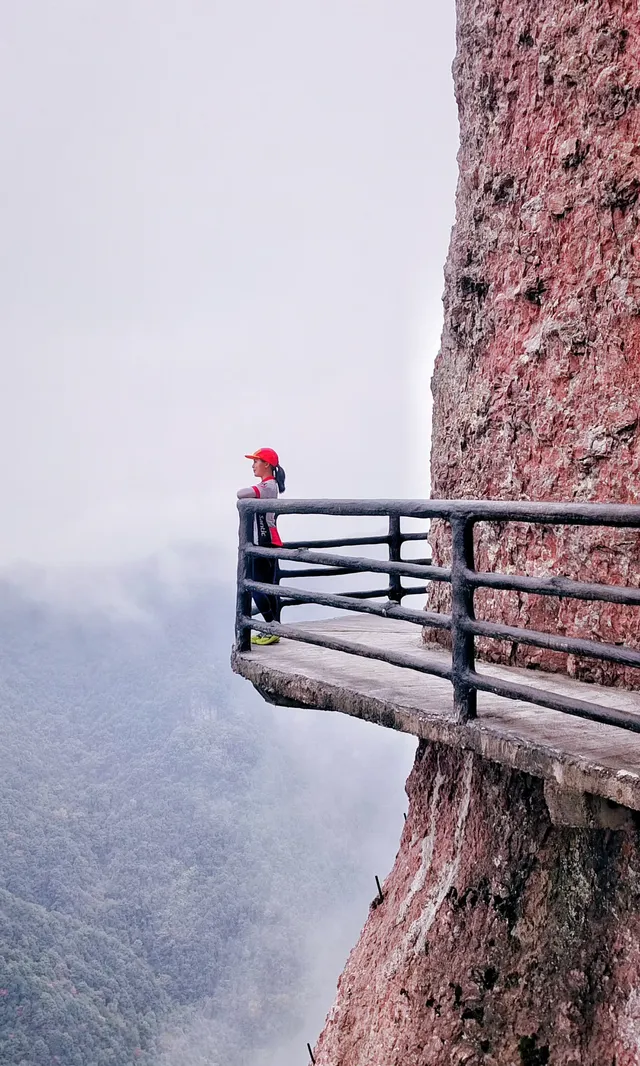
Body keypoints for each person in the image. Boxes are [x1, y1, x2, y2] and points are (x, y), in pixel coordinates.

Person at [237, 448, 286, 645]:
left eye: (256, 461)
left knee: (256, 587)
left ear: (267, 464)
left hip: (263, 542)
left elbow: (241, 493)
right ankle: (272, 628)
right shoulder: (269, 485)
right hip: (268, 542)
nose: (253, 465)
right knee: (266, 587)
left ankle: (271, 627)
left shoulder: (268, 486)